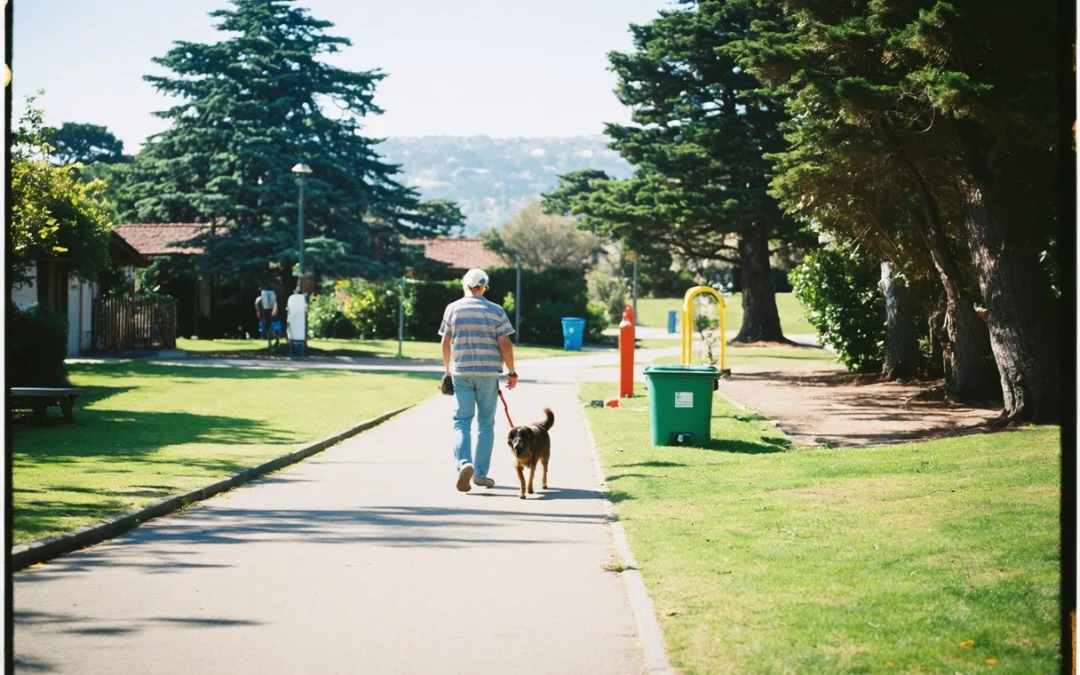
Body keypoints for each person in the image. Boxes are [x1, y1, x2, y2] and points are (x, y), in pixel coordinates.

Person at [439, 268, 518, 492]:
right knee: (486, 424)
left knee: (461, 421)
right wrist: (512, 372)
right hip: (488, 373)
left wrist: (447, 370)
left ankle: (464, 463)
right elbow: (505, 344)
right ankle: (481, 474)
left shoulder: (452, 309)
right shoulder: (496, 310)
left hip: (461, 372)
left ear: (465, 286)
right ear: (484, 287)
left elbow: (446, 341)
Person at [286, 287, 307, 358]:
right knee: (300, 336)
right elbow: (305, 309)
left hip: (293, 319)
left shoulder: (291, 298)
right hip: (301, 320)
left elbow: (288, 308)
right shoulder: (302, 298)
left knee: (293, 336)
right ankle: (300, 353)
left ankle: (294, 353)